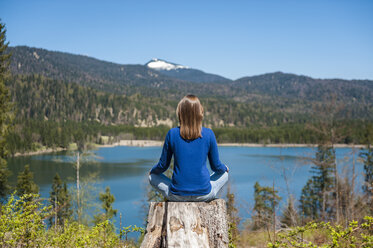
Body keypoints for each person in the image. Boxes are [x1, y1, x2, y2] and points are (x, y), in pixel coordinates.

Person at [148, 94, 229, 202]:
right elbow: (216, 167)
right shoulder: (209, 134)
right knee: (224, 174)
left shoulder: (172, 133)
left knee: (152, 177)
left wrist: (152, 171)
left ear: (181, 113)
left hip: (177, 196)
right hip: (203, 195)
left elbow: (162, 166)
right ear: (200, 112)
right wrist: (225, 168)